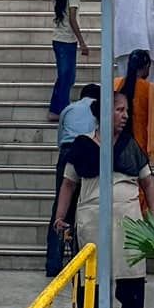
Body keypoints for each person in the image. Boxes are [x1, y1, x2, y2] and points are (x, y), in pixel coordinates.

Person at [52, 87, 154, 308]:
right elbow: (69, 184)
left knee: (132, 289)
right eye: (119, 110)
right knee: (90, 290)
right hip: (92, 223)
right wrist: (60, 217)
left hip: (129, 225)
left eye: (126, 111)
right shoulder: (82, 146)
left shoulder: (130, 146)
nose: (124, 116)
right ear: (103, 113)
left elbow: (148, 184)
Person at [46, 82, 100, 277]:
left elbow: (60, 138)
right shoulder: (99, 109)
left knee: (59, 207)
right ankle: (80, 259)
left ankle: (53, 262)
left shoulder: (68, 109)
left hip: (67, 152)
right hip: (89, 151)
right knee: (84, 205)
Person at [117, 48, 154, 170]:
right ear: (146, 67)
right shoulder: (151, 90)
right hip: (139, 143)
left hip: (116, 141)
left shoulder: (116, 84)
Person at [49, 0, 90, 121]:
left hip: (59, 39)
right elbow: (73, 19)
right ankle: (61, 109)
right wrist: (82, 42)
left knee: (65, 77)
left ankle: (56, 109)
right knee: (67, 77)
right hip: (67, 41)